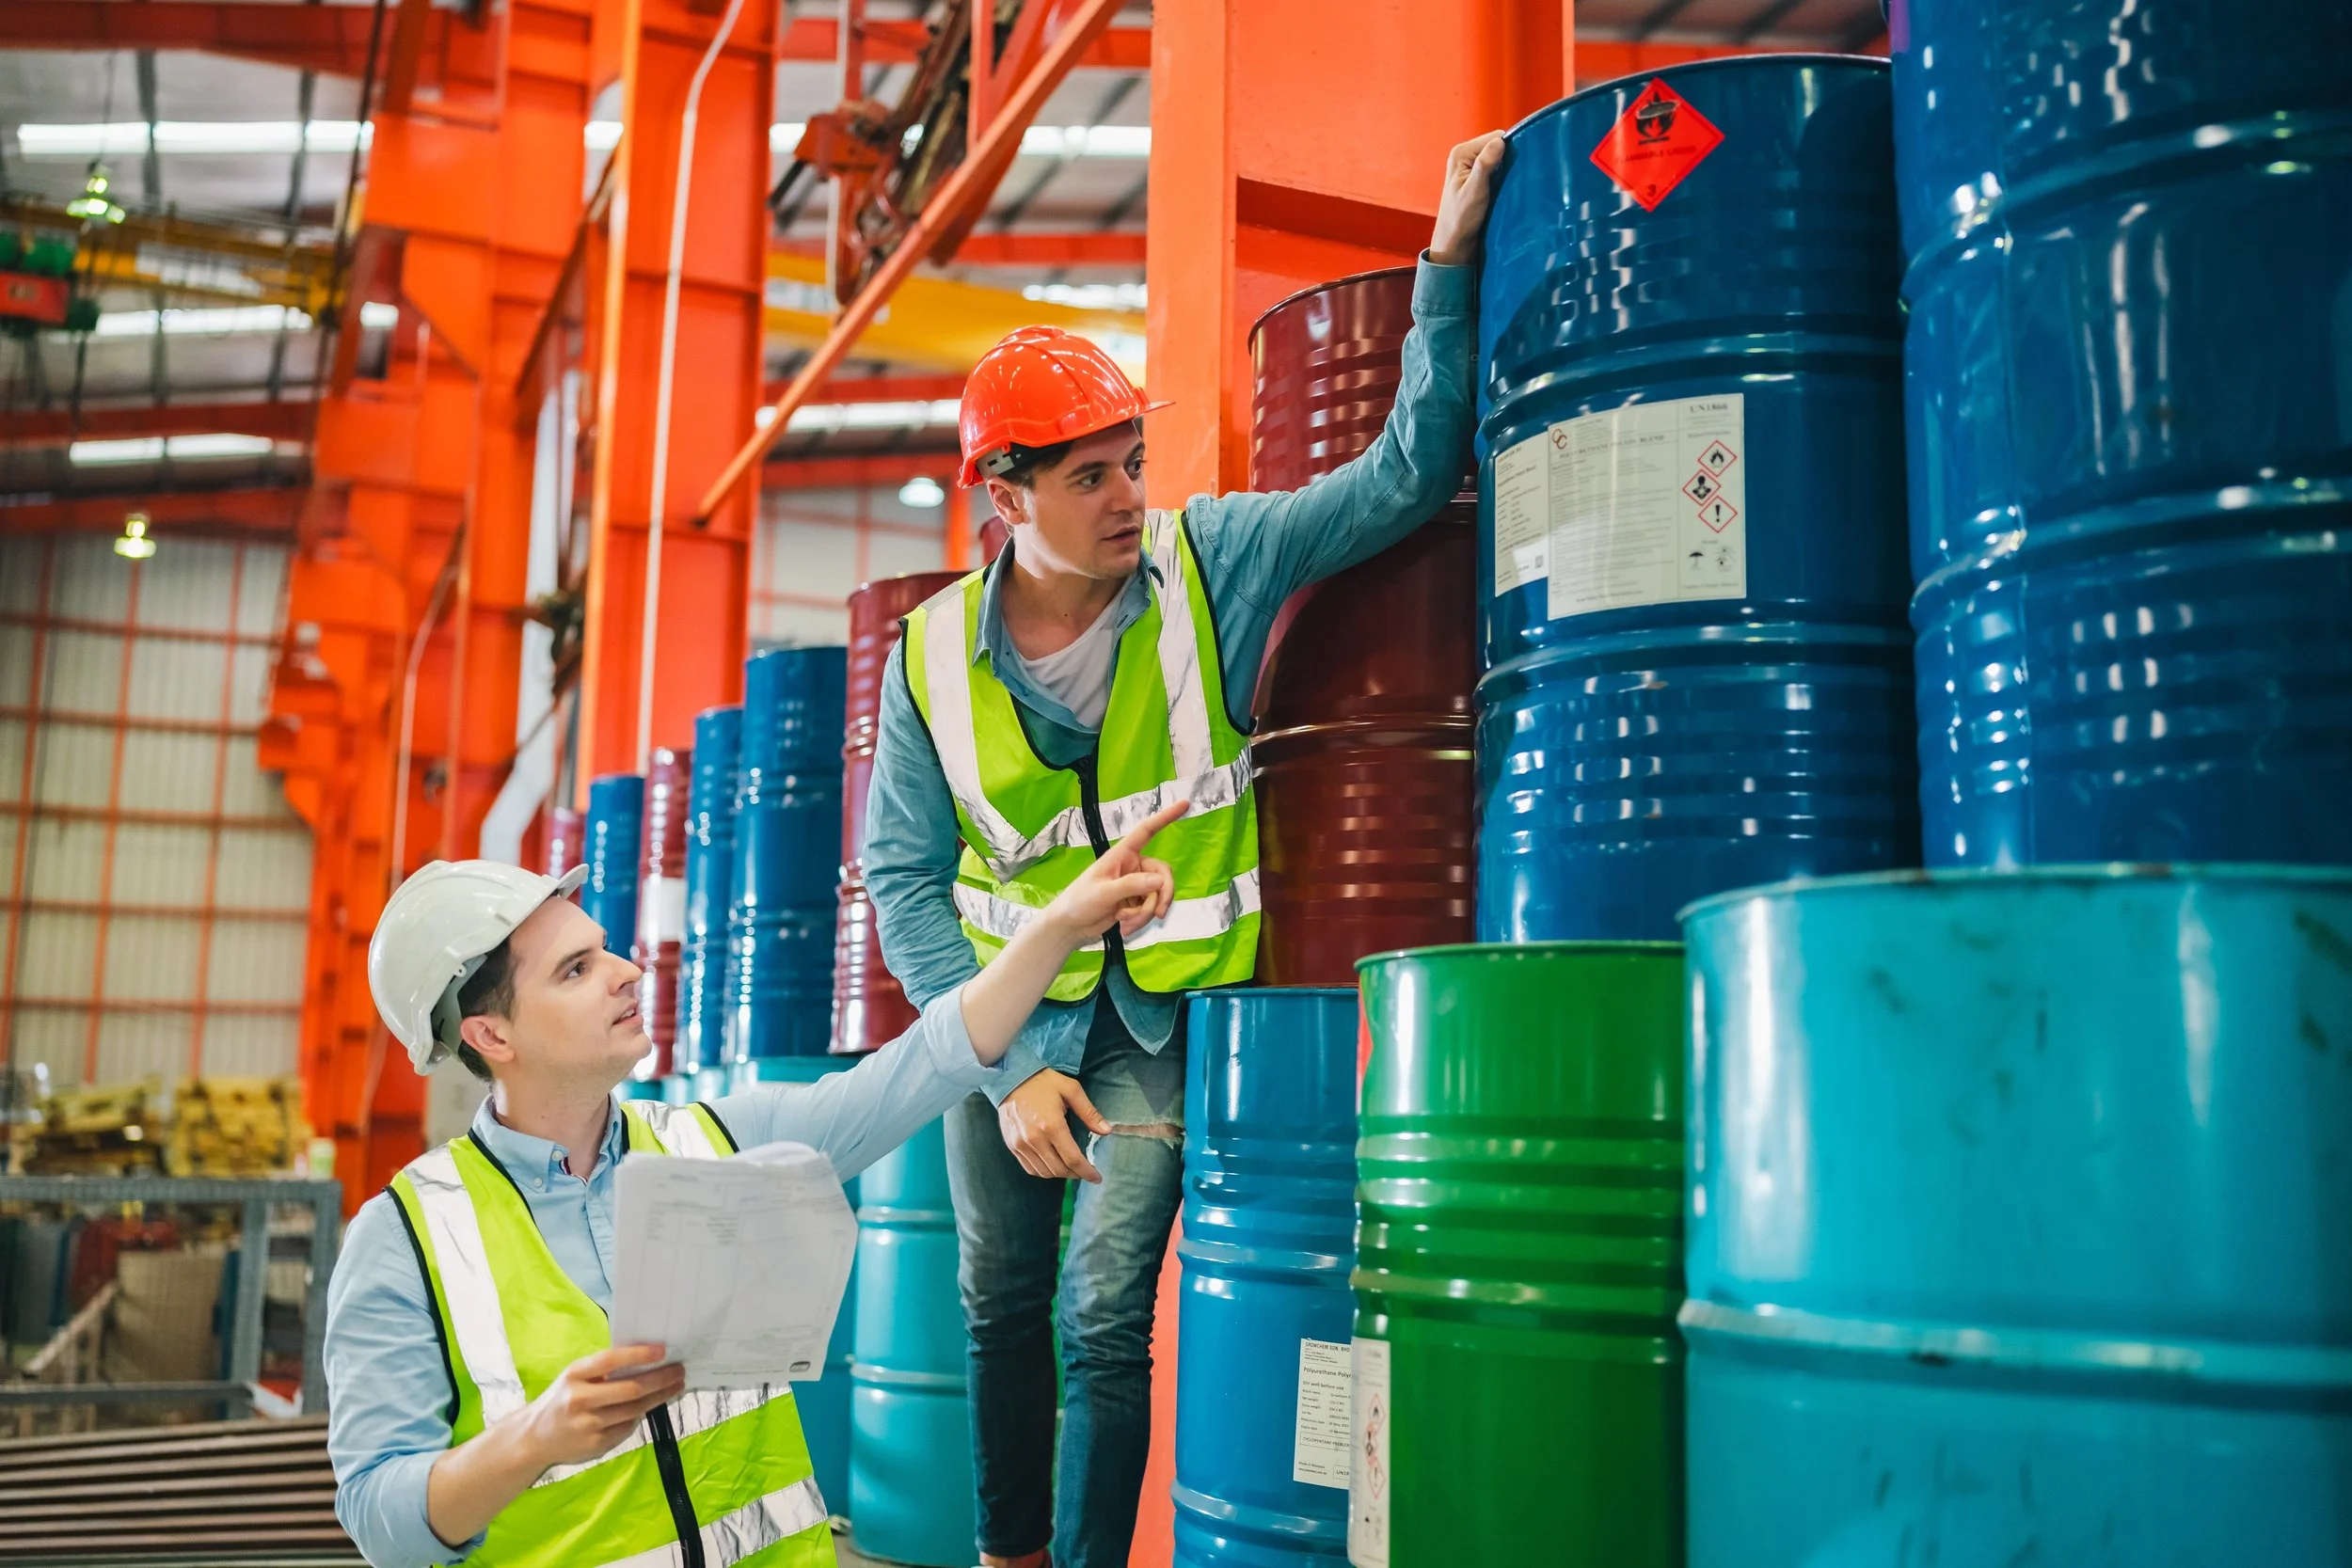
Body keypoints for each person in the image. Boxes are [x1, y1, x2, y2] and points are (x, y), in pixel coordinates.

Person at [862, 131, 1506, 1568]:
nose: (1125, 496)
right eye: (1090, 477)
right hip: (1000, 1010)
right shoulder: (926, 664)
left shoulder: (1208, 560)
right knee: (993, 1296)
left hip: (1157, 1010)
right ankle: (1007, 1553)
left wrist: (1446, 265)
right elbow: (903, 878)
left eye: (1133, 463)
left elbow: (1401, 479)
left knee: (1104, 1311)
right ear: (1005, 501)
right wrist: (1004, 1059)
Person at [325, 800, 1190, 1568]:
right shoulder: (404, 1238)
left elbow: (929, 1062)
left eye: (604, 948)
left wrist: (1061, 924)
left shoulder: (717, 1141)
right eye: (576, 970)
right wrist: (534, 1438)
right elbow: (380, 1519)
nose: (627, 970)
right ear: (492, 1036)